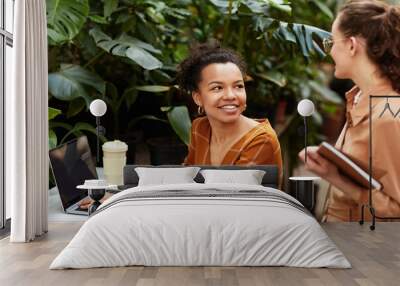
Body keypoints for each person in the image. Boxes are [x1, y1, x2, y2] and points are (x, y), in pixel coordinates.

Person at [298, 0, 400, 221]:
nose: (330, 50)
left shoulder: (387, 116)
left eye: (331, 42)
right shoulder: (359, 99)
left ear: (352, 45)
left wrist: (334, 176)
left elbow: (395, 207)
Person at [178, 42, 283, 182]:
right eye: (217, 88)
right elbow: (188, 177)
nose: (231, 95)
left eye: (238, 86)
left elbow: (234, 197)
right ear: (198, 98)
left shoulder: (261, 140)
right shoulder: (200, 128)